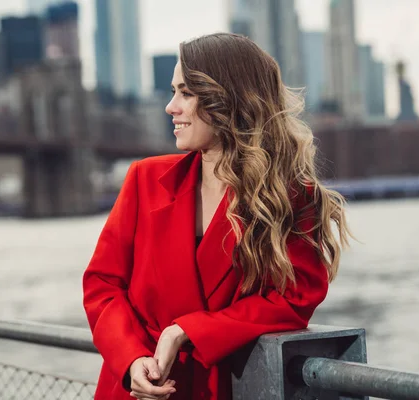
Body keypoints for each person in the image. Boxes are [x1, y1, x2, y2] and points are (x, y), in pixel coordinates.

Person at [83, 32, 351, 400]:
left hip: (217, 389)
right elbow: (102, 285)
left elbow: (295, 298)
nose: (170, 107)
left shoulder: (288, 196)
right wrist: (130, 358)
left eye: (185, 93)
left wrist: (188, 331)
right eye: (173, 91)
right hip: (135, 388)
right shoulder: (144, 180)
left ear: (227, 99)